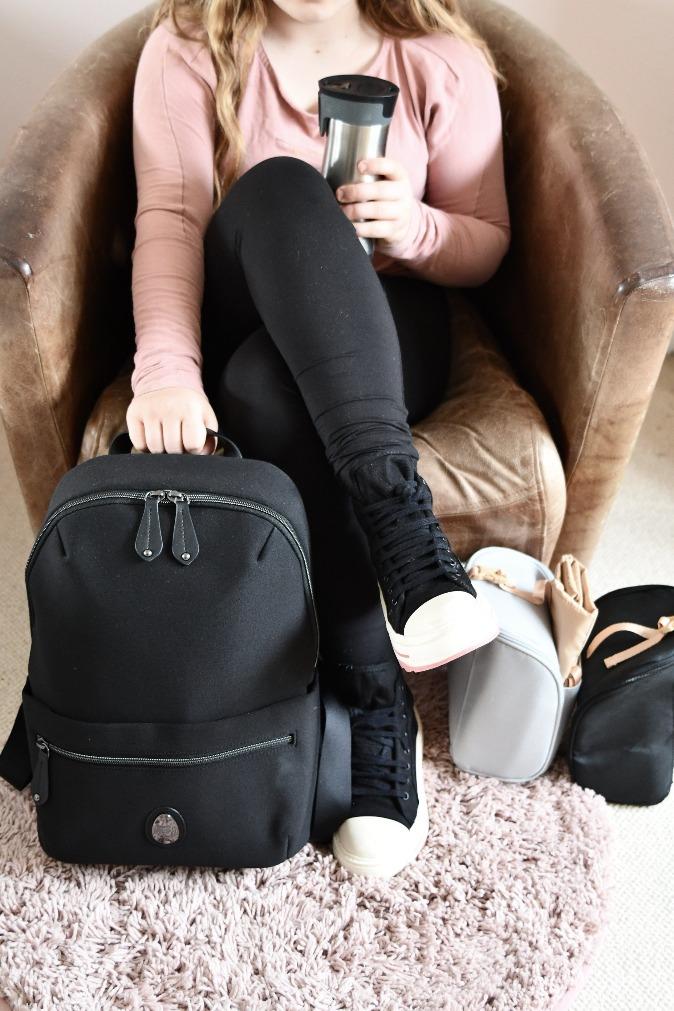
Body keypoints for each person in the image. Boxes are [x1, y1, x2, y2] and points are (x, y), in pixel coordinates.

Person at [127, 0, 511, 878]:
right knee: (279, 184)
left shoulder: (437, 60)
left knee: (266, 386)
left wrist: (412, 226)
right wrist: (167, 372)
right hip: (238, 299)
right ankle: (407, 540)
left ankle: (375, 691)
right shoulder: (187, 47)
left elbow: (486, 243)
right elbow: (172, 220)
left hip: (386, 318)